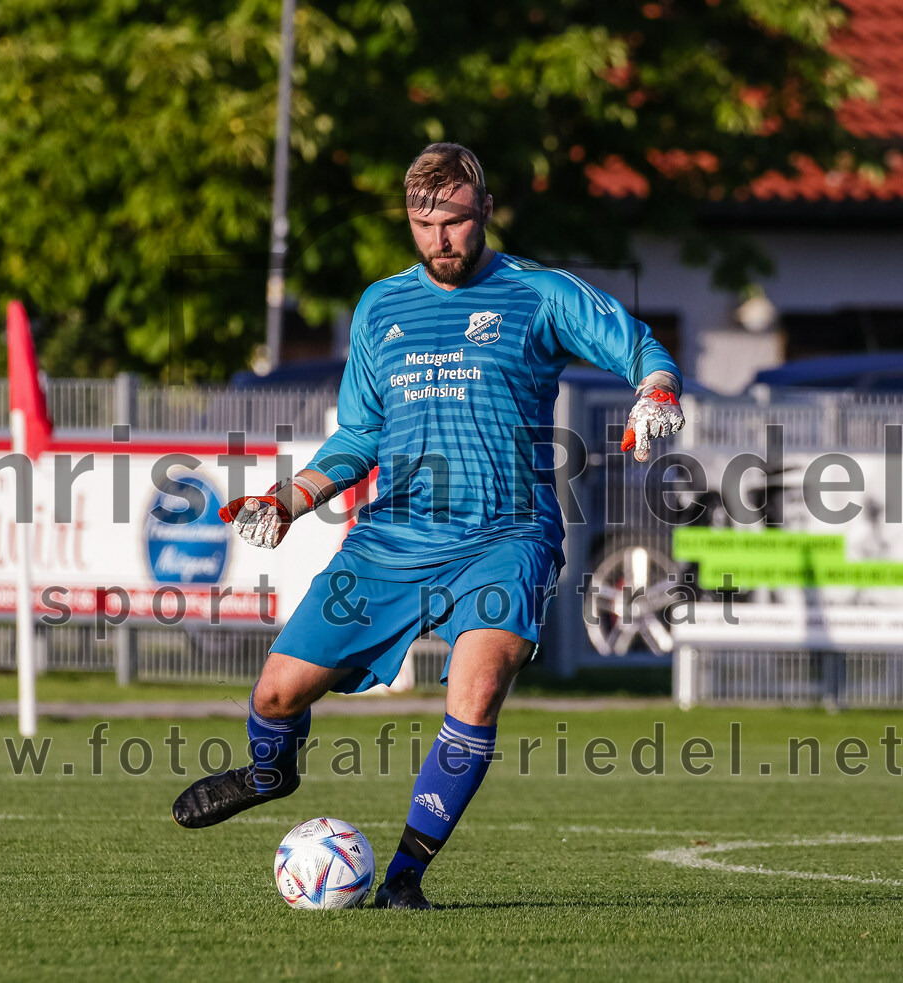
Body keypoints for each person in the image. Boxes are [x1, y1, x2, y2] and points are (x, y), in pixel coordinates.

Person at [171, 143, 684, 909]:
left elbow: (641, 348)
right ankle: (271, 772)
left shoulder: (537, 292)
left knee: (475, 694)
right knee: (277, 694)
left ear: (483, 213)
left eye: (453, 222)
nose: (439, 239)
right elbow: (357, 437)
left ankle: (403, 880)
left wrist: (658, 392)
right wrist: (286, 500)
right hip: (393, 538)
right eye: (422, 224)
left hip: (506, 536)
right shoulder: (381, 307)